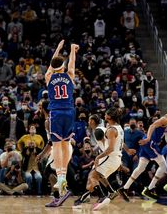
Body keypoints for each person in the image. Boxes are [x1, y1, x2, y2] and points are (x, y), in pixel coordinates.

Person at [118, 106, 167, 200]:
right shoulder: (164, 119)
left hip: (148, 144)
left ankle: (124, 188)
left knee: (140, 168)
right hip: (150, 144)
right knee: (163, 166)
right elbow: (152, 126)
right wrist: (147, 138)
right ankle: (150, 189)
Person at [45, 40, 79, 206]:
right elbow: (72, 63)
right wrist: (73, 50)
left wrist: (57, 48)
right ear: (63, 66)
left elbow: (53, 64)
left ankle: (60, 178)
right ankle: (63, 177)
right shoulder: (69, 76)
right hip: (69, 112)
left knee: (56, 146)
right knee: (66, 144)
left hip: (56, 113)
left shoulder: (48, 77)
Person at [73, 107, 124, 211]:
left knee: (92, 177)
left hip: (109, 157)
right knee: (98, 177)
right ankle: (110, 192)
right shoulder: (118, 127)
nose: (104, 116)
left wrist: (98, 157)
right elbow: (115, 143)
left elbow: (109, 148)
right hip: (116, 157)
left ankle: (102, 196)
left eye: (105, 114)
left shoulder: (102, 131)